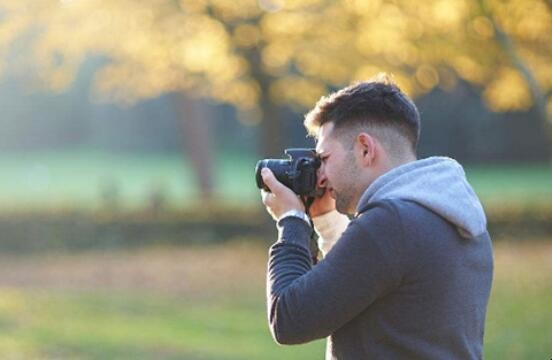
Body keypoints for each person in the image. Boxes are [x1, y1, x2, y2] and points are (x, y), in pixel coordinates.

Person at [260, 74, 493, 359]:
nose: (320, 176)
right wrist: (326, 222)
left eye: (325, 159)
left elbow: (288, 320)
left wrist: (292, 220)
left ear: (365, 149)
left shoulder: (390, 223)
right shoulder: (451, 213)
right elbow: (362, 285)